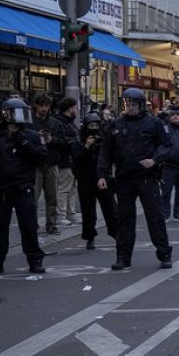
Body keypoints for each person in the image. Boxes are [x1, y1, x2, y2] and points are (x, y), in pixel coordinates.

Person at [97, 87, 173, 271]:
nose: (129, 107)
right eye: (127, 104)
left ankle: (164, 254)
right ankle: (123, 257)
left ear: (140, 105)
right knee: (124, 219)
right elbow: (105, 152)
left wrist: (154, 159)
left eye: (133, 104)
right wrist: (102, 174)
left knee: (155, 217)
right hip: (124, 178)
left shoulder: (153, 123)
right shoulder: (116, 124)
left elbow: (166, 145)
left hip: (147, 178)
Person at [0, 98, 49, 275]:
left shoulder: (30, 135)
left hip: (22, 187)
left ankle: (34, 260)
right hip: (0, 189)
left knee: (28, 226)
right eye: (11, 113)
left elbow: (42, 157)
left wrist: (24, 144)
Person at [74, 112, 117, 250]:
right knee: (88, 210)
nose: (93, 128)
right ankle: (90, 237)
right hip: (86, 179)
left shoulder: (104, 139)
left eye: (96, 125)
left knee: (110, 209)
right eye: (91, 125)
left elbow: (109, 157)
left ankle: (116, 233)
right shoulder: (79, 142)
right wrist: (86, 146)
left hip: (102, 177)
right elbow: (77, 160)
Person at [31, 94, 61, 234]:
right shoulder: (30, 122)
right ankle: (32, 224)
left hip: (51, 163)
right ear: (36, 105)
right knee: (33, 198)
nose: (44, 108)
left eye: (46, 106)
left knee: (52, 197)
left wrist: (52, 140)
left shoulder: (54, 123)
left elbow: (64, 142)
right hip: (35, 164)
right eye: (42, 105)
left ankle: (52, 225)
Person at [52, 97, 81, 226]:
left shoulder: (69, 122)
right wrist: (74, 143)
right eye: (75, 107)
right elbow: (59, 141)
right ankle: (61, 214)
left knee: (72, 188)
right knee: (64, 188)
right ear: (70, 108)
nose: (76, 110)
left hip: (72, 160)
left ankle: (71, 213)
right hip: (65, 159)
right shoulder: (60, 122)